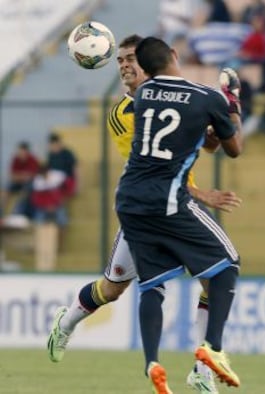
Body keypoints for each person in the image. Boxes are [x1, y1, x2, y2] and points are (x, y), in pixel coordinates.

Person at [47, 34, 241, 394]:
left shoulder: (179, 97)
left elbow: (210, 143)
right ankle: (68, 320)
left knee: (212, 282)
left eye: (131, 58)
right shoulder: (123, 114)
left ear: (150, 62)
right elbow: (149, 165)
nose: (124, 65)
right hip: (151, 204)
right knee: (113, 288)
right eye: (119, 60)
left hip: (179, 202)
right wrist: (202, 190)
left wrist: (214, 121)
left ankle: (202, 370)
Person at [116, 37, 243, 392]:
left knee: (152, 284)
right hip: (168, 199)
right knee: (227, 265)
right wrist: (232, 104)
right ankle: (212, 349)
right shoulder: (206, 97)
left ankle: (152, 362)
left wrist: (212, 129)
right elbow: (232, 148)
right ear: (174, 55)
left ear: (144, 68)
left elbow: (199, 137)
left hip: (129, 201)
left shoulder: (143, 96)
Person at [1, 141, 39, 215]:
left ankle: (16, 213)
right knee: (5, 189)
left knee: (25, 192)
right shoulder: (15, 159)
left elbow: (31, 176)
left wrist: (19, 176)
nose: (21, 153)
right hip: (17, 182)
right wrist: (22, 176)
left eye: (22, 152)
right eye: (19, 151)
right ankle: (1, 213)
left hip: (28, 184)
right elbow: (12, 175)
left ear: (27, 151)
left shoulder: (33, 159)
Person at [47, 132, 78, 197]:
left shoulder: (67, 154)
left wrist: (77, 186)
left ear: (58, 143)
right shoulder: (51, 155)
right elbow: (49, 170)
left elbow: (75, 168)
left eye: (54, 145)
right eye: (51, 145)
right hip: (53, 180)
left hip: (66, 180)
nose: (52, 147)